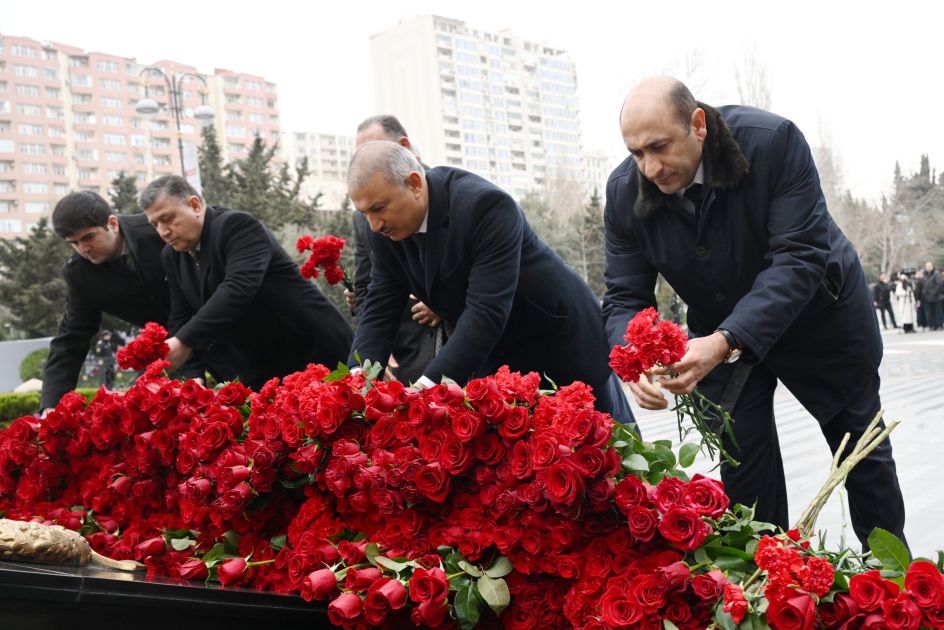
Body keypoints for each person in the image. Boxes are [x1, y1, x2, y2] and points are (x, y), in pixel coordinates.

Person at [602, 76, 905, 548]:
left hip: (818, 316)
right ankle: (766, 573)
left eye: (659, 147)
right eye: (636, 153)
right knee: (742, 465)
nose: (651, 168)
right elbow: (624, 296)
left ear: (697, 125)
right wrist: (632, 356)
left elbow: (799, 257)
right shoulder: (624, 192)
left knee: (861, 451)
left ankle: (892, 577)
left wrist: (726, 339)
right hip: (717, 331)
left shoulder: (773, 142)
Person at [347, 141, 634, 421]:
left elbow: (486, 311)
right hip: (497, 356)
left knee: (604, 442)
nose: (373, 224)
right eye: (364, 213)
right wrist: (359, 380)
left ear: (414, 184)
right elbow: (380, 306)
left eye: (379, 208)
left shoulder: (484, 205)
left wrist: (426, 390)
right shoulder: (382, 231)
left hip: (558, 343)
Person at [139, 175, 353, 389]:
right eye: (155, 224)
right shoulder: (172, 257)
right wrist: (194, 376)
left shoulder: (237, 226)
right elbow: (181, 317)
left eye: (167, 218)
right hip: (262, 370)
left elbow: (238, 288)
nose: (163, 232)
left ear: (194, 205)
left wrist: (184, 341)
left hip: (315, 352)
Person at [41, 191, 173, 412]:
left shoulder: (156, 228)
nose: (83, 250)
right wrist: (51, 407)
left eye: (88, 237)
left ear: (112, 223)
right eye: (74, 243)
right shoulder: (79, 274)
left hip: (217, 325)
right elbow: (71, 338)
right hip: (165, 354)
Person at [348, 115, 440, 383]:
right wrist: (371, 355)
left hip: (462, 339)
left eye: (375, 148)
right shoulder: (366, 220)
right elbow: (368, 288)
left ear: (404, 147)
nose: (374, 223)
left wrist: (445, 302)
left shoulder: (454, 196)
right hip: (407, 349)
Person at [922, 262, 943, 330]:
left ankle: (940, 325)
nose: (928, 267)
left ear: (932, 266)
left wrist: (933, 293)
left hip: (937, 297)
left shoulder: (936, 274)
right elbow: (924, 285)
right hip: (928, 298)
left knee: (938, 312)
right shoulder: (925, 275)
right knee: (931, 312)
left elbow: (939, 284)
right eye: (926, 266)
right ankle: (933, 325)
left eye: (929, 266)